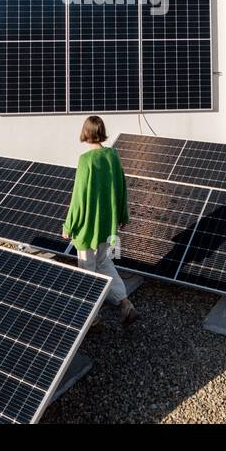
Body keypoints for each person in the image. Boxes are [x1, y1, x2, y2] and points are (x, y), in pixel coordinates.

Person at [62, 115, 138, 325]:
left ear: (86, 133)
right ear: (102, 132)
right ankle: (124, 303)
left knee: (88, 268)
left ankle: (93, 316)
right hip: (107, 225)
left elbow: (79, 197)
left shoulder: (86, 161)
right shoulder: (113, 156)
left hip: (87, 228)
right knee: (104, 262)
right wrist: (123, 215)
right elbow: (122, 186)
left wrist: (69, 225)